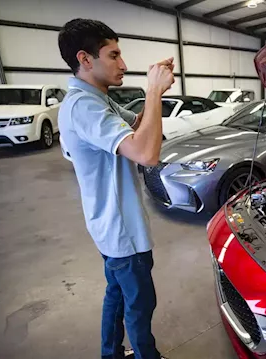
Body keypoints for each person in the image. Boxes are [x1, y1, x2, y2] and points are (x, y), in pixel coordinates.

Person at [57, 18, 174, 359]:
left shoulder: (98, 100)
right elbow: (146, 154)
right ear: (86, 59)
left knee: (117, 295)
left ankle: (110, 353)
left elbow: (136, 128)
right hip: (122, 232)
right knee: (139, 305)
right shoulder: (85, 106)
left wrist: (157, 94)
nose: (123, 65)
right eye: (114, 55)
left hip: (109, 228)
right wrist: (151, 90)